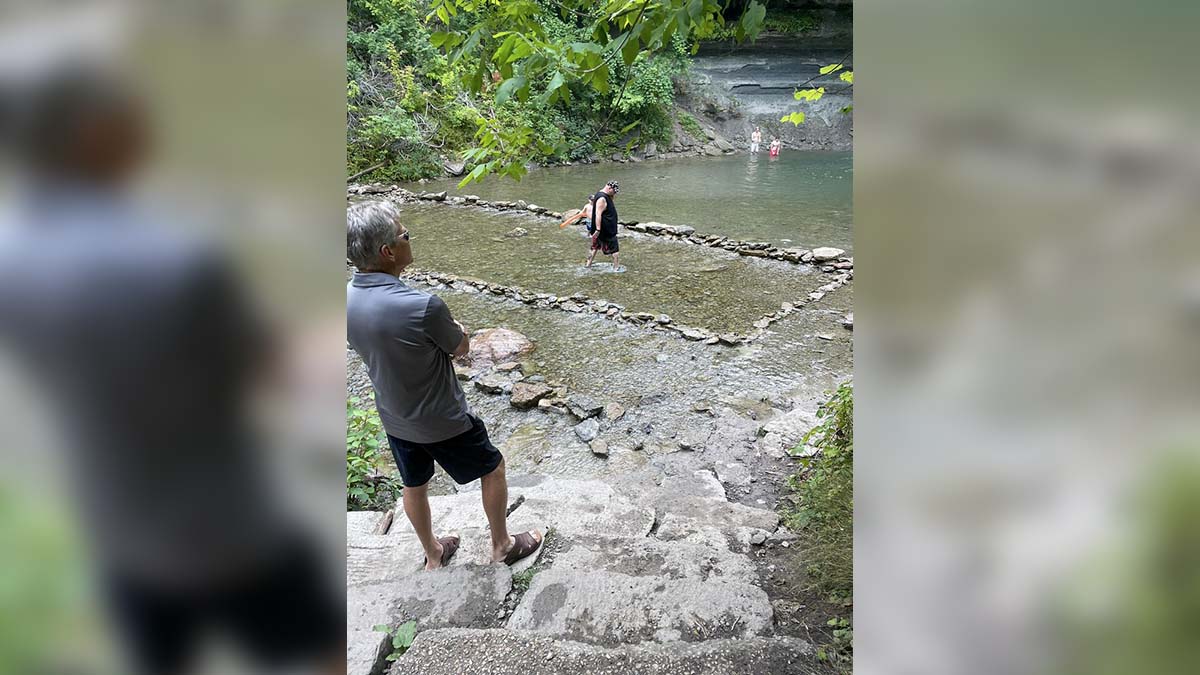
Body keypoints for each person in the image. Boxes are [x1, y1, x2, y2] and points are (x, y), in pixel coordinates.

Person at [0, 66, 343, 675]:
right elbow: (274, 373)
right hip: (226, 528)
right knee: (325, 647)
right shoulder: (177, 258)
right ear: (93, 132)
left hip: (115, 525)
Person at [345, 201, 543, 572]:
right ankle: (501, 545)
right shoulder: (422, 305)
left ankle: (434, 554)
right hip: (442, 417)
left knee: (414, 484)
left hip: (393, 415)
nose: (409, 238)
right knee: (493, 466)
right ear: (388, 252)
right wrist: (461, 332)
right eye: (405, 235)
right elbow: (461, 347)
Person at [585, 180, 621, 269]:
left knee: (594, 247)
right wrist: (598, 229)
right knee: (614, 249)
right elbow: (598, 214)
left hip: (602, 229)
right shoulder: (602, 198)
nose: (615, 193)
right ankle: (616, 268)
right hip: (606, 230)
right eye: (614, 191)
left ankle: (588, 265)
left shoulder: (601, 195)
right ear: (609, 188)